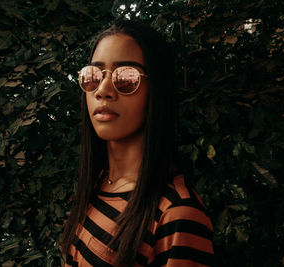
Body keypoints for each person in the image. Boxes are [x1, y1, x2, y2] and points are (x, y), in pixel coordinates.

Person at [61, 19, 214, 266]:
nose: (103, 90)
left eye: (127, 77)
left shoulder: (176, 215)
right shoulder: (100, 182)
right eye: (93, 75)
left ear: (157, 90)